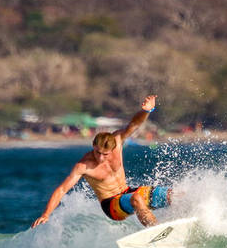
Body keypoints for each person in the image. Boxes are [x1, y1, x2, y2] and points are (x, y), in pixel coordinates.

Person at [32, 94, 170, 228]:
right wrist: (46, 214)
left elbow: (134, 125)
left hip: (127, 192)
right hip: (111, 205)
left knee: (172, 195)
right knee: (137, 199)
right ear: (93, 145)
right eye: (97, 152)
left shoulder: (117, 141)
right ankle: (157, 232)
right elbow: (62, 189)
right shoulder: (84, 165)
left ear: (113, 148)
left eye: (105, 154)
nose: (101, 157)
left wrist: (146, 111)